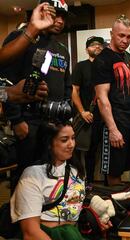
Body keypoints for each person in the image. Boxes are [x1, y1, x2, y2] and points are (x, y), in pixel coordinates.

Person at [2, 0, 72, 191]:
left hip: (53, 122)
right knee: (26, 175)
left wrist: (65, 117)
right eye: (55, 14)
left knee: (49, 174)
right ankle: (19, 220)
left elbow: (67, 85)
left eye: (63, 17)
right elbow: (7, 80)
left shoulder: (62, 49)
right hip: (28, 120)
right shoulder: (21, 38)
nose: (59, 21)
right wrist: (16, 120)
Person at [93, 15, 130, 186]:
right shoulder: (103, 60)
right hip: (116, 122)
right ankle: (117, 207)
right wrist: (112, 129)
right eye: (121, 35)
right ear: (111, 34)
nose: (125, 40)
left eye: (128, 36)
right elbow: (102, 98)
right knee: (114, 170)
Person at [71, 36, 104, 184]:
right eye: (93, 45)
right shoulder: (81, 66)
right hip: (84, 114)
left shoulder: (106, 67)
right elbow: (74, 90)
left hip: (102, 116)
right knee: (77, 150)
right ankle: (75, 182)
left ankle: (90, 183)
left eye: (99, 45)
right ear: (86, 49)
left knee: (94, 151)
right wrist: (82, 111)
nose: (97, 47)